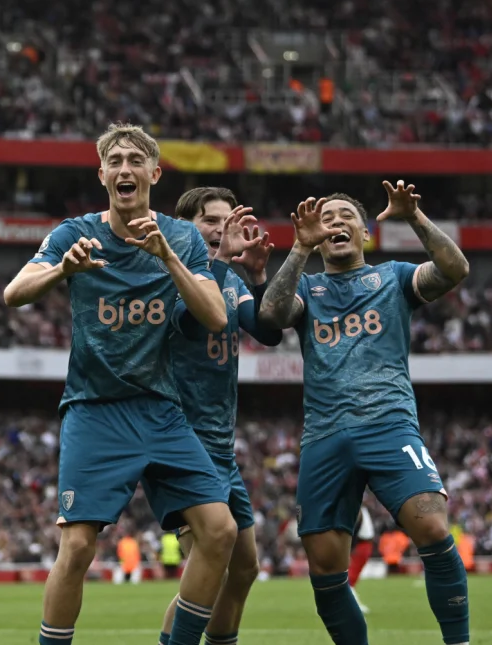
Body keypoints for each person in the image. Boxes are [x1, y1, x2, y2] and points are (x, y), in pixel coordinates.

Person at [3, 123, 238, 645]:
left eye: (135, 160)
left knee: (221, 532)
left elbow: (217, 316)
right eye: (115, 161)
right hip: (95, 409)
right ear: (103, 173)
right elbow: (14, 292)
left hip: (161, 408)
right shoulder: (74, 234)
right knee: (79, 546)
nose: (125, 169)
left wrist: (168, 258)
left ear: (155, 173)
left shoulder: (180, 236)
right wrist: (61, 268)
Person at [258, 182, 472, 645]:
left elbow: (455, 268)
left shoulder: (393, 277)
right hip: (325, 437)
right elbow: (271, 316)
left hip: (389, 424)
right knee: (325, 567)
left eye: (345, 216)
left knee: (433, 525)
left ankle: (460, 642)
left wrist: (414, 216)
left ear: (365, 232)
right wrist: (298, 248)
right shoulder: (309, 288)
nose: (335, 222)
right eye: (326, 217)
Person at [158, 187, 281, 645]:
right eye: (211, 220)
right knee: (210, 565)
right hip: (180, 442)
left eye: (229, 220)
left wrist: (259, 276)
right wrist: (222, 264)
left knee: (244, 568)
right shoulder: (172, 273)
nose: (222, 229)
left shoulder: (227, 279)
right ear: (185, 225)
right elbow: (196, 320)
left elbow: (268, 334)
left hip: (220, 447)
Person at [348, 506, 375, 614]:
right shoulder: (358, 508)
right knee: (350, 577)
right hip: (361, 544)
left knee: (350, 577)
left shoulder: (359, 508)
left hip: (363, 544)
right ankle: (353, 604)